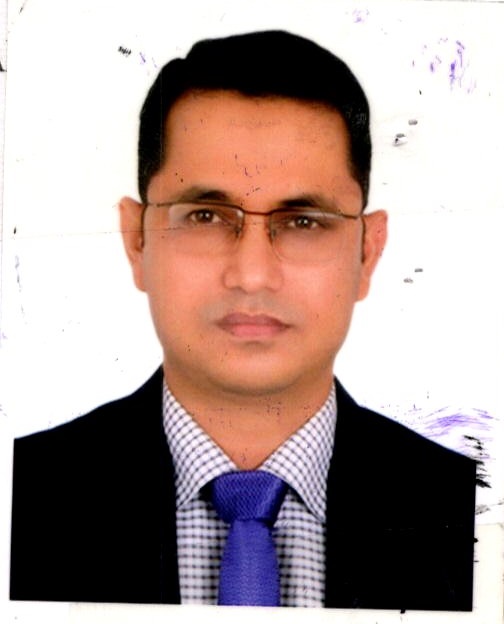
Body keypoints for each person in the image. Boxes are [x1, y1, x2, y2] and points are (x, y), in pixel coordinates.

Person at [10, 30, 476, 610]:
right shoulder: (19, 498)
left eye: (303, 221)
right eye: (205, 216)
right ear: (136, 240)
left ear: (367, 251)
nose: (252, 275)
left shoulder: (472, 512)